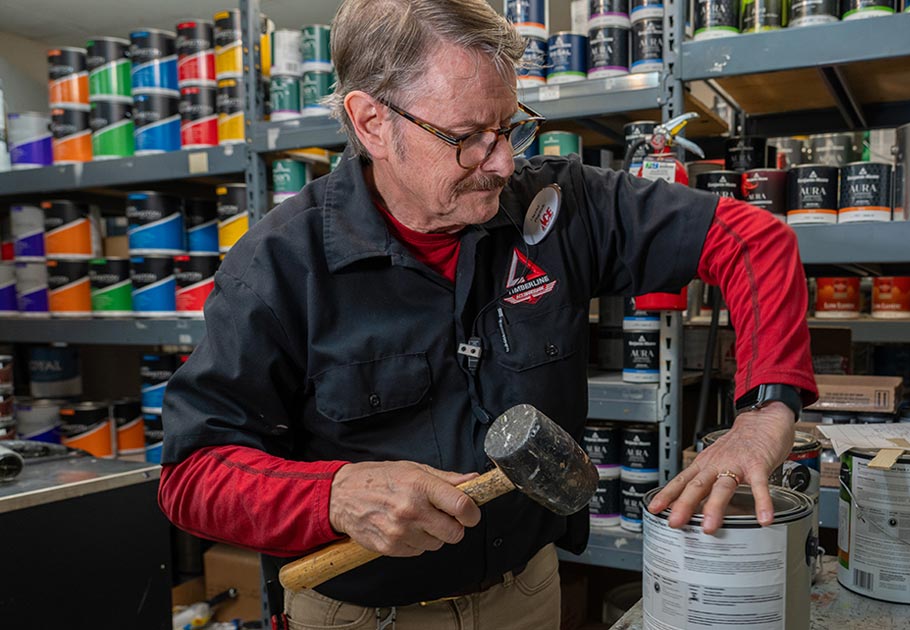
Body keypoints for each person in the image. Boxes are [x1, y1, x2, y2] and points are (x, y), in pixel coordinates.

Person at [157, 0, 816, 628]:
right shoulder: (277, 266)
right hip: (361, 617)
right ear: (371, 123)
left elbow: (753, 241)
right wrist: (335, 495)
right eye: (468, 137)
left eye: (510, 127)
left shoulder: (561, 208)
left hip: (526, 595)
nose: (502, 162)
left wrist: (765, 412)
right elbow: (192, 477)